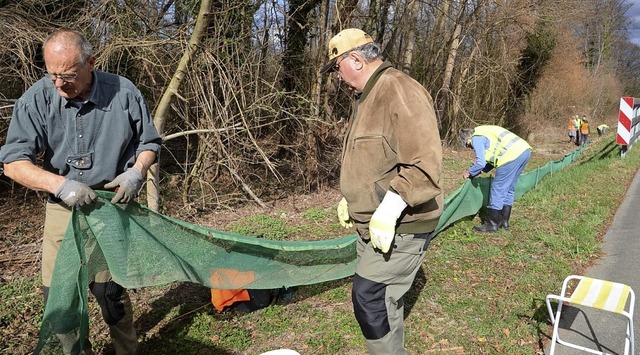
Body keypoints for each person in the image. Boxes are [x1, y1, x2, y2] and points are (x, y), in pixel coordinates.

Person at [0, 29, 162, 354]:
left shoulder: (123, 92)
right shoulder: (36, 99)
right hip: (63, 207)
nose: (59, 85)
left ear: (91, 63)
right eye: (52, 75)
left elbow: (149, 143)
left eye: (68, 75)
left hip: (110, 206)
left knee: (111, 294)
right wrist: (60, 185)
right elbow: (12, 163)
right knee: (59, 303)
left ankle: (127, 351)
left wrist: (136, 172)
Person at [321, 28, 443, 354]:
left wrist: (388, 211)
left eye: (337, 67)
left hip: (401, 223)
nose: (337, 76)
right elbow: (373, 159)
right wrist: (352, 199)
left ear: (356, 61)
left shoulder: (399, 90)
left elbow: (424, 164)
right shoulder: (366, 97)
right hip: (372, 225)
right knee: (381, 301)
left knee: (369, 297)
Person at [459, 125, 531, 233]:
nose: (471, 148)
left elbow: (480, 162)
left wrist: (469, 172)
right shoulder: (484, 131)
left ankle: (491, 225)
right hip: (524, 150)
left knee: (498, 188)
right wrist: (479, 171)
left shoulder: (476, 138)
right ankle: (503, 222)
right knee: (509, 188)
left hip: (510, 155)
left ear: (467, 139)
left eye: (469, 146)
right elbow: (492, 157)